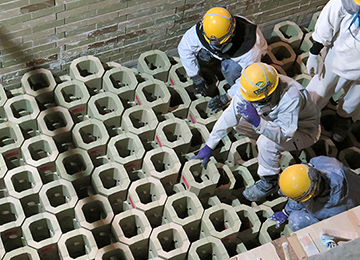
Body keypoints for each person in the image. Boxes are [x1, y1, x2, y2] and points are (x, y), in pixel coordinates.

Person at [190, 62, 321, 202]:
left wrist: (259, 122)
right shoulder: (249, 88)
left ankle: (269, 181)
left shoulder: (291, 97)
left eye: (260, 100)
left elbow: (285, 134)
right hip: (272, 121)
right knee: (239, 124)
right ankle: (267, 149)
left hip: (303, 130)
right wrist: (210, 144)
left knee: (266, 142)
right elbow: (231, 115)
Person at [177, 6, 268, 113]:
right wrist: (195, 76)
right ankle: (213, 69)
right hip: (222, 54)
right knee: (202, 54)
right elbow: (184, 48)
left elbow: (248, 79)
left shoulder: (250, 49)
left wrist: (227, 97)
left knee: (230, 68)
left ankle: (229, 80)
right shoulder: (208, 27)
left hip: (241, 60)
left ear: (230, 36)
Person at [305, 0, 360, 142]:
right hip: (338, 60)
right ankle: (305, 117)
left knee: (354, 100)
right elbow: (327, 23)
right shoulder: (344, 4)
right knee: (319, 92)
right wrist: (314, 52)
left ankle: (343, 119)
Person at [268, 156, 360, 231]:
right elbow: (303, 184)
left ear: (313, 195)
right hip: (355, 184)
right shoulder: (319, 162)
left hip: (348, 213)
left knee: (296, 220)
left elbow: (305, 199)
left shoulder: (329, 211)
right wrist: (285, 212)